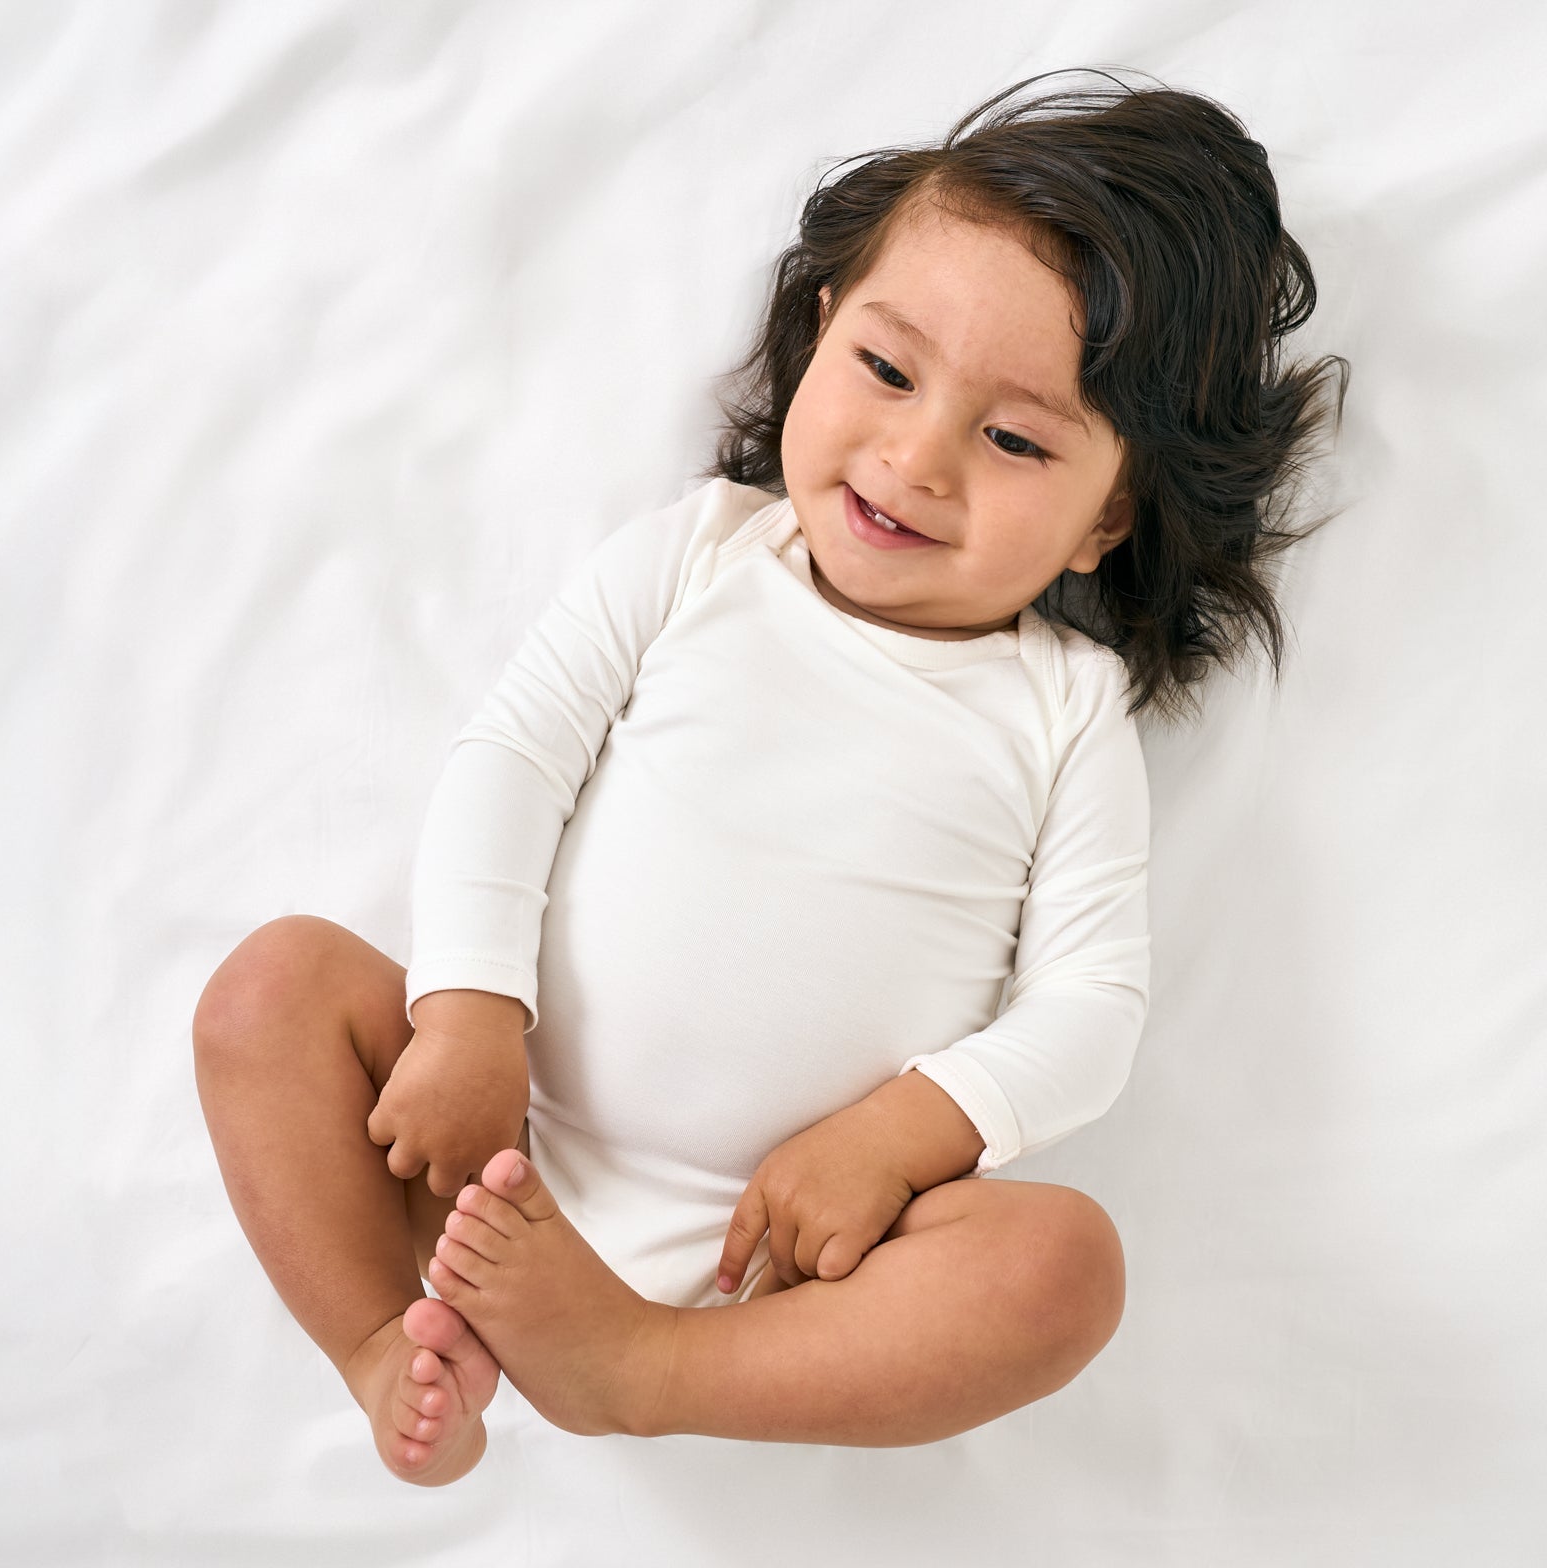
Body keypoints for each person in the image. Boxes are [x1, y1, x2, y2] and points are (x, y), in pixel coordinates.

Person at [193, 70, 1347, 1487]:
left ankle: (644, 1369)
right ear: (818, 331)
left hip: (787, 1245)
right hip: (495, 1130)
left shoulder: (1063, 711)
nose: (916, 457)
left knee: (1061, 1269)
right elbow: (514, 760)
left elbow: (1092, 1010)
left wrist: (899, 1134)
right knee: (273, 989)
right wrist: (470, 1004)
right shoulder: (699, 556)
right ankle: (389, 1341)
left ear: (1108, 514)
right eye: (886, 367)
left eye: (1013, 439)